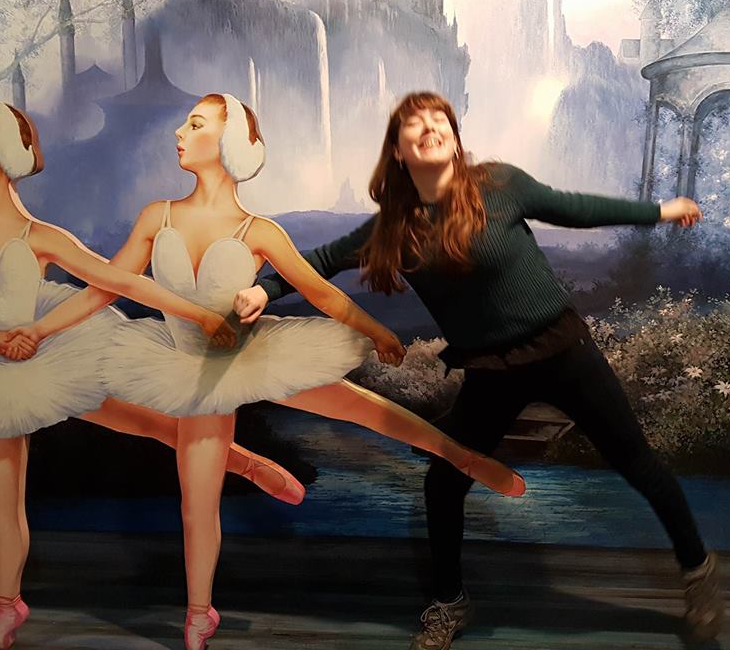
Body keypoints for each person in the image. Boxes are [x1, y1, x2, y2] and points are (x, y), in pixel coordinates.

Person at [29, 93, 524, 650]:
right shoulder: (156, 216)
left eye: (195, 124)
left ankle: (462, 457)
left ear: (227, 142)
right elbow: (106, 286)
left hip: (251, 355)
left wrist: (378, 331)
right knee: (196, 500)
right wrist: (41, 331)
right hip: (184, 368)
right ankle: (199, 612)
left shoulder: (258, 230)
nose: (179, 133)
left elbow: (319, 291)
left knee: (355, 406)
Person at [234, 91, 724, 647]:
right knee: (444, 483)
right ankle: (449, 602)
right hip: (493, 372)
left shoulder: (499, 184)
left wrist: (660, 211)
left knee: (638, 464)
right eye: (413, 122)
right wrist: (264, 289)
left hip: (563, 350)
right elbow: (318, 263)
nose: (429, 126)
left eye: (439, 118)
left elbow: (575, 208)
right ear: (397, 151)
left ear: (454, 136)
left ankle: (698, 570)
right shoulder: (393, 229)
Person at [0, 100, 296, 650]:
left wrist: (199, 315)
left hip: (46, 351)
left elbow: (120, 281)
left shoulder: (44, 236)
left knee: (144, 422)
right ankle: (7, 603)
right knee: (0, 499)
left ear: (4, 148)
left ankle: (241, 461)